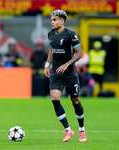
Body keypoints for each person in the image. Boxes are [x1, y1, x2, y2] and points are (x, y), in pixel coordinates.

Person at [44, 9, 87, 142]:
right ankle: (68, 130)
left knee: (75, 101)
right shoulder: (50, 34)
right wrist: (47, 64)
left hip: (69, 74)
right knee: (55, 99)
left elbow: (79, 53)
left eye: (55, 19)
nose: (52, 22)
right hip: (56, 73)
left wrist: (67, 64)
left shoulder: (70, 34)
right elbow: (52, 49)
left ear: (62, 21)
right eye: (51, 19)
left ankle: (81, 130)